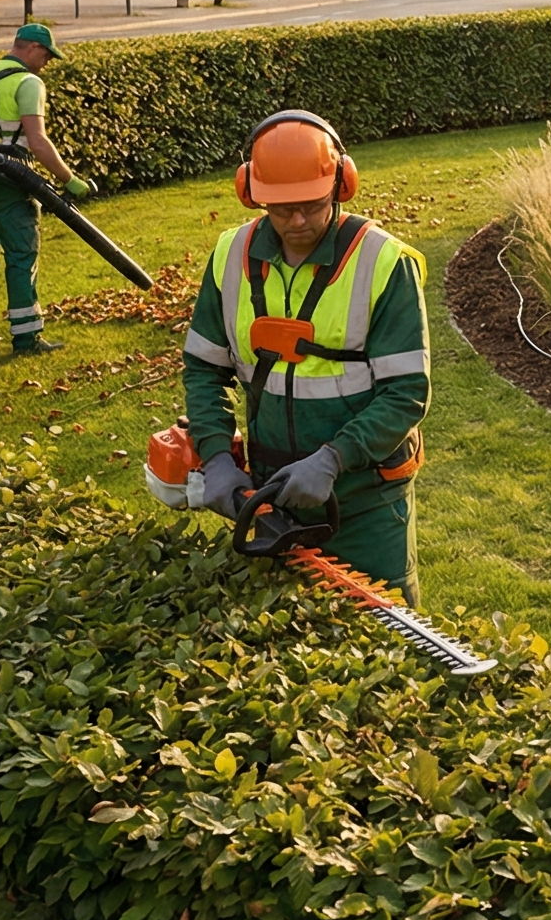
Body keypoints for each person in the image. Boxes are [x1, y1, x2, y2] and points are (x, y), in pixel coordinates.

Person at [182, 111, 434, 604]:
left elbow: (406, 393)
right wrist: (215, 456)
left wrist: (333, 459)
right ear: (251, 193)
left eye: (313, 205)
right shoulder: (232, 255)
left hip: (366, 499)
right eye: (282, 209)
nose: (297, 222)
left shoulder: (384, 263)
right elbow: (203, 367)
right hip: (269, 493)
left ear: (342, 185)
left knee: (391, 634)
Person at [0, 22, 91, 356]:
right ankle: (27, 338)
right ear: (31, 48)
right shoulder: (28, 83)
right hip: (11, 181)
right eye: (46, 55)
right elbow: (38, 141)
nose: (46, 62)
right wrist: (69, 180)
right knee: (21, 255)